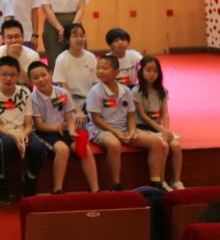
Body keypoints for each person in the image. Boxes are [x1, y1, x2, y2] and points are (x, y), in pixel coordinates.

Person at [88, 55, 170, 189]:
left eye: (105, 68)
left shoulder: (126, 90)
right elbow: (96, 119)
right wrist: (116, 133)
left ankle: (155, 182)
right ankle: (116, 184)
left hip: (124, 129)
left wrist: (132, 131)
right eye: (98, 68)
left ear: (116, 72)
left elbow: (131, 115)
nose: (100, 71)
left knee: (157, 143)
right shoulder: (94, 91)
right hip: (101, 130)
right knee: (114, 145)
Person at [29, 60, 99, 194]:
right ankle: (57, 189)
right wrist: (56, 128)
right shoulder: (32, 98)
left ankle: (95, 190)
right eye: (36, 78)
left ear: (50, 74)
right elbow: (40, 125)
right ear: (31, 81)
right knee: (62, 150)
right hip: (46, 133)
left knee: (85, 148)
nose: (41, 79)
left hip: (65, 131)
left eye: (43, 75)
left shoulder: (63, 93)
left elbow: (69, 117)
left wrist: (72, 131)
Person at [0, 56, 45, 202]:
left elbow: (29, 124)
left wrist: (24, 134)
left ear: (18, 75)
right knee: (6, 144)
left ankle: (30, 179)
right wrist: (14, 136)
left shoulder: (24, 92)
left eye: (12, 74)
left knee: (38, 147)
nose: (8, 78)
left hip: (22, 131)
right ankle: (1, 181)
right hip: (2, 132)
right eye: (4, 74)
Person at [134, 56, 185, 190]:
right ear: (141, 71)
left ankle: (176, 180)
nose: (152, 74)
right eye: (148, 70)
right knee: (164, 146)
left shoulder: (162, 91)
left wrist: (166, 130)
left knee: (176, 145)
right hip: (143, 128)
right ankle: (161, 181)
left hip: (158, 128)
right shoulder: (137, 91)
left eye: (155, 71)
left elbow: (165, 113)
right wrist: (161, 130)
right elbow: (143, 115)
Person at [0, 20, 41, 90]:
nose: (14, 40)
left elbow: (29, 82)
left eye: (17, 36)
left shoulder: (33, 55)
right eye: (9, 37)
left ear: (23, 37)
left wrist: (15, 58)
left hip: (21, 91)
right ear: (3, 39)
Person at [53, 24, 97, 111]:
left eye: (82, 36)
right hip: (69, 101)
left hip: (90, 100)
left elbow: (96, 84)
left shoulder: (91, 57)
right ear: (67, 40)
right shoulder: (62, 59)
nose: (79, 39)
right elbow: (63, 89)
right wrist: (77, 110)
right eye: (75, 36)